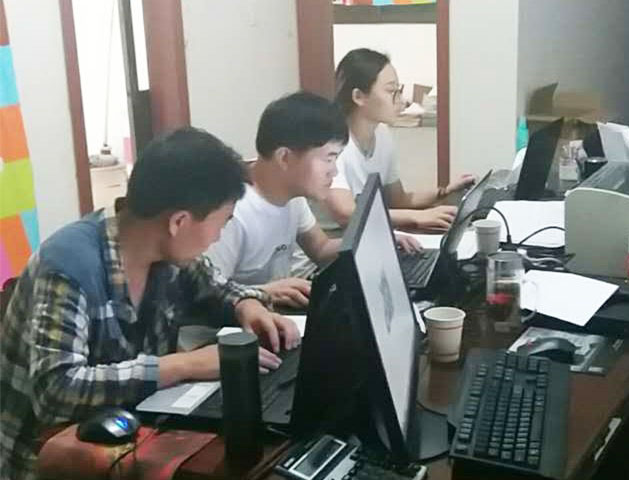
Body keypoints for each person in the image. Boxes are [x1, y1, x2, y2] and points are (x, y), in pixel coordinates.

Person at [0, 127, 300, 480]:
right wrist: (184, 365)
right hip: (49, 461)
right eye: (222, 223)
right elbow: (56, 389)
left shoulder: (166, 252)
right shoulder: (68, 266)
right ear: (179, 222)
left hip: (132, 434)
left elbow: (217, 289)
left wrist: (248, 306)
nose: (219, 235)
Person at [206, 92, 421, 309]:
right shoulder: (230, 212)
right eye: (329, 158)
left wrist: (374, 240)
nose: (334, 171)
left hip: (276, 313)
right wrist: (264, 292)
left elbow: (320, 249)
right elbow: (206, 295)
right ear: (284, 157)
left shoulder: (291, 193)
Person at [325, 48, 476, 232]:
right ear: (358, 96)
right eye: (391, 91)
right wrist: (417, 217)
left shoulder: (381, 134)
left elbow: (399, 200)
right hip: (335, 242)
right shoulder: (332, 141)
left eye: (399, 91)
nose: (402, 101)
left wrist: (445, 191)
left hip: (366, 236)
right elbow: (346, 213)